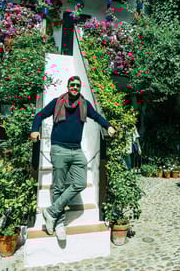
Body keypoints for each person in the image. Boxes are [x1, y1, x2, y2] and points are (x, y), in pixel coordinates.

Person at [29, 76, 116, 241]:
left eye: (77, 85)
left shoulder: (84, 104)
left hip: (76, 150)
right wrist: (34, 129)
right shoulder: (57, 102)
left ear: (80, 87)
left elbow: (97, 117)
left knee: (80, 183)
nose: (75, 87)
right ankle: (59, 223)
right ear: (68, 86)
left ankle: (51, 211)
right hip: (59, 148)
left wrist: (108, 126)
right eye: (72, 84)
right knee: (59, 187)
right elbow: (39, 115)